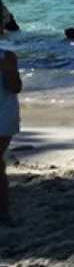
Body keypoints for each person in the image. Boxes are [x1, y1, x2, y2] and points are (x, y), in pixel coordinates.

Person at [1, 46, 22, 226]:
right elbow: (15, 86)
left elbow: (15, 87)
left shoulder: (6, 56)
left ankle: (4, 212)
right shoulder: (6, 56)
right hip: (5, 114)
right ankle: (4, 212)